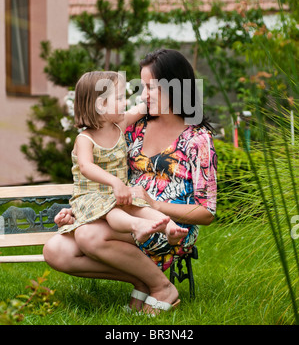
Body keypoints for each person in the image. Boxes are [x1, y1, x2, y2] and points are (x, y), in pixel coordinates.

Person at [43, 49, 217, 315]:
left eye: (151, 87)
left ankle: (162, 288)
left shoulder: (198, 140)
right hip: (118, 212)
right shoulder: (134, 127)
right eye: (142, 86)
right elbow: (97, 168)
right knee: (55, 250)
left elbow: (206, 213)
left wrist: (155, 205)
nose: (143, 95)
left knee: (89, 236)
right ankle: (143, 280)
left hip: (169, 225)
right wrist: (80, 210)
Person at [59, 70, 189, 247]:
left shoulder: (119, 125)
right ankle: (137, 226)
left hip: (118, 194)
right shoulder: (84, 139)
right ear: (101, 105)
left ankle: (170, 229)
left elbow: (142, 108)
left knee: (139, 206)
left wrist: (166, 94)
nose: (126, 102)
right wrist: (115, 182)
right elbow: (86, 166)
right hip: (91, 198)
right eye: (119, 98)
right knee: (113, 211)